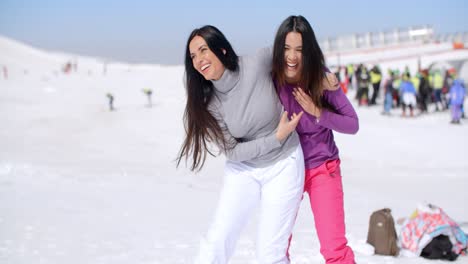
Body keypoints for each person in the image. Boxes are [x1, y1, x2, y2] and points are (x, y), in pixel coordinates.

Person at [177, 25, 306, 263]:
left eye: (203, 50)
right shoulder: (210, 104)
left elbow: (291, 50)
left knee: (269, 254)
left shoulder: (255, 63)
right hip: (244, 169)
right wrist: (276, 138)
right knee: (217, 240)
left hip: (283, 165)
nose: (198, 59)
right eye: (193, 56)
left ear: (222, 49)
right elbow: (233, 153)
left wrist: (323, 79)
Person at [272, 15, 358, 264]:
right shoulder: (271, 79)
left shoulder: (321, 78)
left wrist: (317, 112)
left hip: (323, 168)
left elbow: (353, 124)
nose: (292, 56)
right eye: (287, 48)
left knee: (335, 250)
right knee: (275, 245)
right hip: (286, 169)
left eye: (299, 49)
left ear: (308, 51)